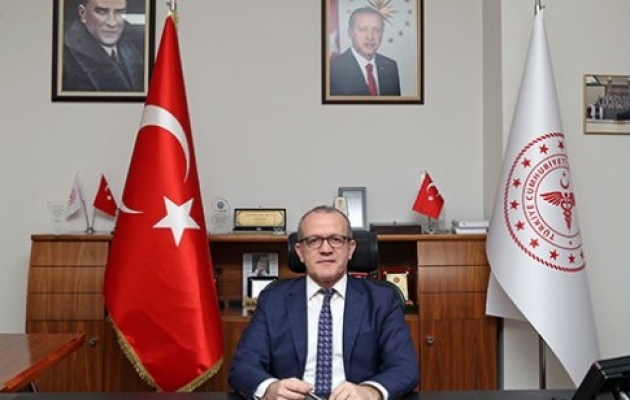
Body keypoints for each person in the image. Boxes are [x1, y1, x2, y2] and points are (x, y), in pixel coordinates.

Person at [229, 205, 418, 400]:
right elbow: (243, 366)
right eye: (314, 241)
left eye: (336, 240)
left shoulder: (381, 300)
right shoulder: (273, 300)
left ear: (350, 249)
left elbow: (405, 367)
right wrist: (269, 388)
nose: (326, 249)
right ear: (300, 251)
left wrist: (370, 392)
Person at [62, 0, 145, 92]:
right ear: (83, 13)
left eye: (119, 12)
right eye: (102, 12)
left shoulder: (139, 43)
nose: (112, 23)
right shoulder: (63, 57)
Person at [330, 7, 401, 96]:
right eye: (363, 29)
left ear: (382, 34)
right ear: (350, 32)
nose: (370, 37)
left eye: (376, 30)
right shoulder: (333, 69)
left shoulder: (390, 66)